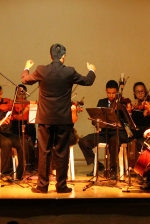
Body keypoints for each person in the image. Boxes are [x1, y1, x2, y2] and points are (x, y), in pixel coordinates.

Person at [21, 43, 96, 194]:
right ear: (63, 57)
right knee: (62, 152)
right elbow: (88, 81)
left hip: (45, 119)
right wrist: (91, 70)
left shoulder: (42, 70)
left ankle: (42, 186)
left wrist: (26, 67)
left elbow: (25, 80)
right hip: (63, 120)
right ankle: (61, 186)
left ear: (50, 56)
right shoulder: (69, 71)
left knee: (44, 152)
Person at [78, 80, 130, 179]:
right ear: (106, 91)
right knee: (83, 141)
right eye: (109, 93)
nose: (111, 96)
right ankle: (98, 165)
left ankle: (113, 170)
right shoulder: (101, 102)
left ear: (117, 92)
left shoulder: (122, 103)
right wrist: (96, 121)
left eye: (114, 93)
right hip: (105, 133)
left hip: (118, 133)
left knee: (114, 141)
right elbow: (96, 119)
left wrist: (120, 120)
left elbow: (127, 121)